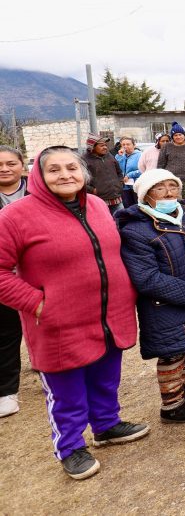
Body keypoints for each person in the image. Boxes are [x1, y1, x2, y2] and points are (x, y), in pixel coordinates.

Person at [0, 146, 147, 480]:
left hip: (109, 313)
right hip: (56, 321)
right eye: (54, 170)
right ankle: (69, 446)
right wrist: (37, 303)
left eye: (72, 168)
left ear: (83, 172)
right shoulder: (15, 216)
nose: (65, 175)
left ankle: (106, 425)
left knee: (106, 376)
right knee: (67, 390)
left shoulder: (96, 205)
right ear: (37, 174)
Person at [117, 169, 185, 424]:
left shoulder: (183, 219)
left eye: (173, 186)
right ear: (146, 196)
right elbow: (147, 278)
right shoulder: (137, 230)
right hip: (164, 305)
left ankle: (182, 392)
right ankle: (172, 406)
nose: (169, 192)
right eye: (160, 188)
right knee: (172, 353)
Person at [0, 146, 27, 418]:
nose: (5, 169)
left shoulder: (39, 192)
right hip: (4, 273)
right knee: (6, 333)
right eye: (0, 164)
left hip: (35, 270)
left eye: (11, 163)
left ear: (22, 165)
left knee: (45, 324)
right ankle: (6, 390)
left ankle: (48, 365)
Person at [82, 134, 124, 215]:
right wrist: (93, 190)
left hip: (116, 198)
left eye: (105, 145)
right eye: (101, 145)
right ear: (92, 147)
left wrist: (120, 184)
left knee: (121, 221)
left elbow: (119, 172)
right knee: (105, 224)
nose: (105, 147)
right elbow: (81, 180)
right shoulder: (84, 160)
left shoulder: (109, 156)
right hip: (99, 200)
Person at [114, 136, 142, 208]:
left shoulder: (140, 155)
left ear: (134, 145)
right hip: (124, 186)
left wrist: (129, 175)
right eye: (123, 145)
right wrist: (120, 156)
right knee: (127, 206)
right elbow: (117, 169)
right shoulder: (119, 156)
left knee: (138, 206)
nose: (125, 146)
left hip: (136, 185)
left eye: (128, 144)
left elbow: (143, 169)